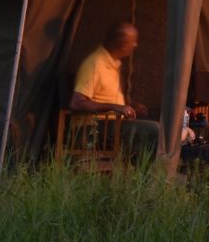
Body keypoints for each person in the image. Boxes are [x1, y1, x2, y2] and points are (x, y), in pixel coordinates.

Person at [69, 22, 161, 162]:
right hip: (91, 129)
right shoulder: (94, 64)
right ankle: (149, 180)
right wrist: (114, 107)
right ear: (122, 44)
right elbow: (76, 103)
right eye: (133, 42)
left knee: (156, 126)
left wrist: (132, 106)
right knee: (154, 130)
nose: (135, 45)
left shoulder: (114, 64)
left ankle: (136, 177)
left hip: (111, 125)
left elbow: (106, 97)